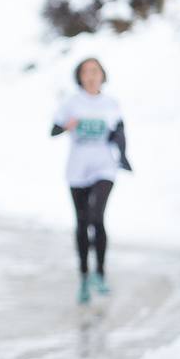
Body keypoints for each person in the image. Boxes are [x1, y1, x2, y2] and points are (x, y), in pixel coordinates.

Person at [51, 57, 131, 304]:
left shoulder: (111, 103)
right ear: (80, 76)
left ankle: (101, 273)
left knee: (97, 217)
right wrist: (67, 125)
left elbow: (120, 131)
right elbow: (53, 129)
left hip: (104, 167)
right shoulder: (71, 103)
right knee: (82, 221)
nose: (91, 76)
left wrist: (122, 152)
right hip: (77, 169)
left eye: (95, 71)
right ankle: (84, 275)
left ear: (102, 75)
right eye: (86, 72)